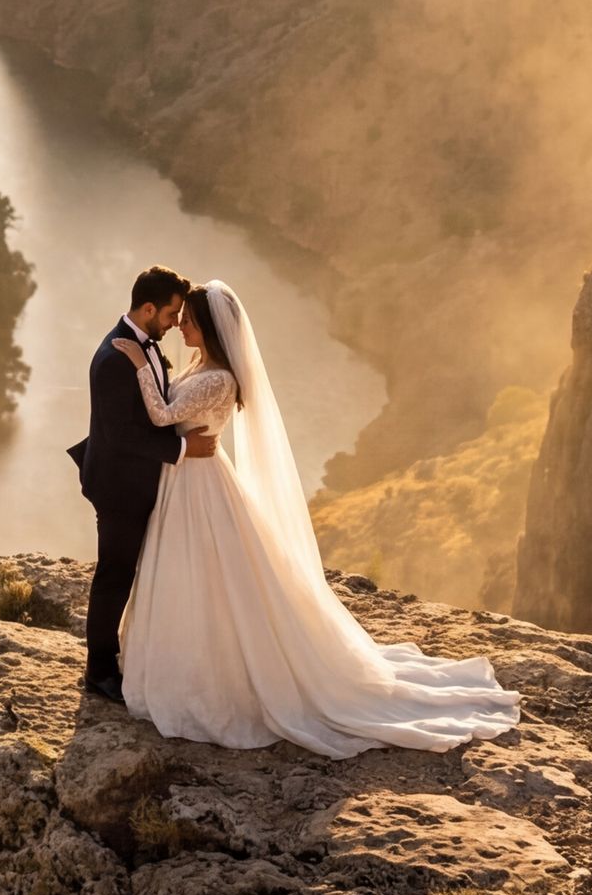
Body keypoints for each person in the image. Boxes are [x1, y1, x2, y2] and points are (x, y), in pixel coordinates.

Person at [110, 279, 521, 755]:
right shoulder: (201, 366)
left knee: (209, 576)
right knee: (189, 573)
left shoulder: (219, 378)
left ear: (210, 329)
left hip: (200, 485)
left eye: (189, 322)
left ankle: (214, 674)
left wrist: (139, 363)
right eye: (179, 320)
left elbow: (162, 416)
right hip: (186, 478)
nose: (180, 327)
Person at [69, 265, 206, 704]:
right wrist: (183, 450)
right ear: (148, 309)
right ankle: (99, 671)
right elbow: (121, 435)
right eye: (171, 314)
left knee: (133, 571)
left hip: (137, 480)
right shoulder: (114, 358)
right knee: (115, 575)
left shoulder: (142, 346)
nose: (175, 322)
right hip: (119, 487)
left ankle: (136, 654)